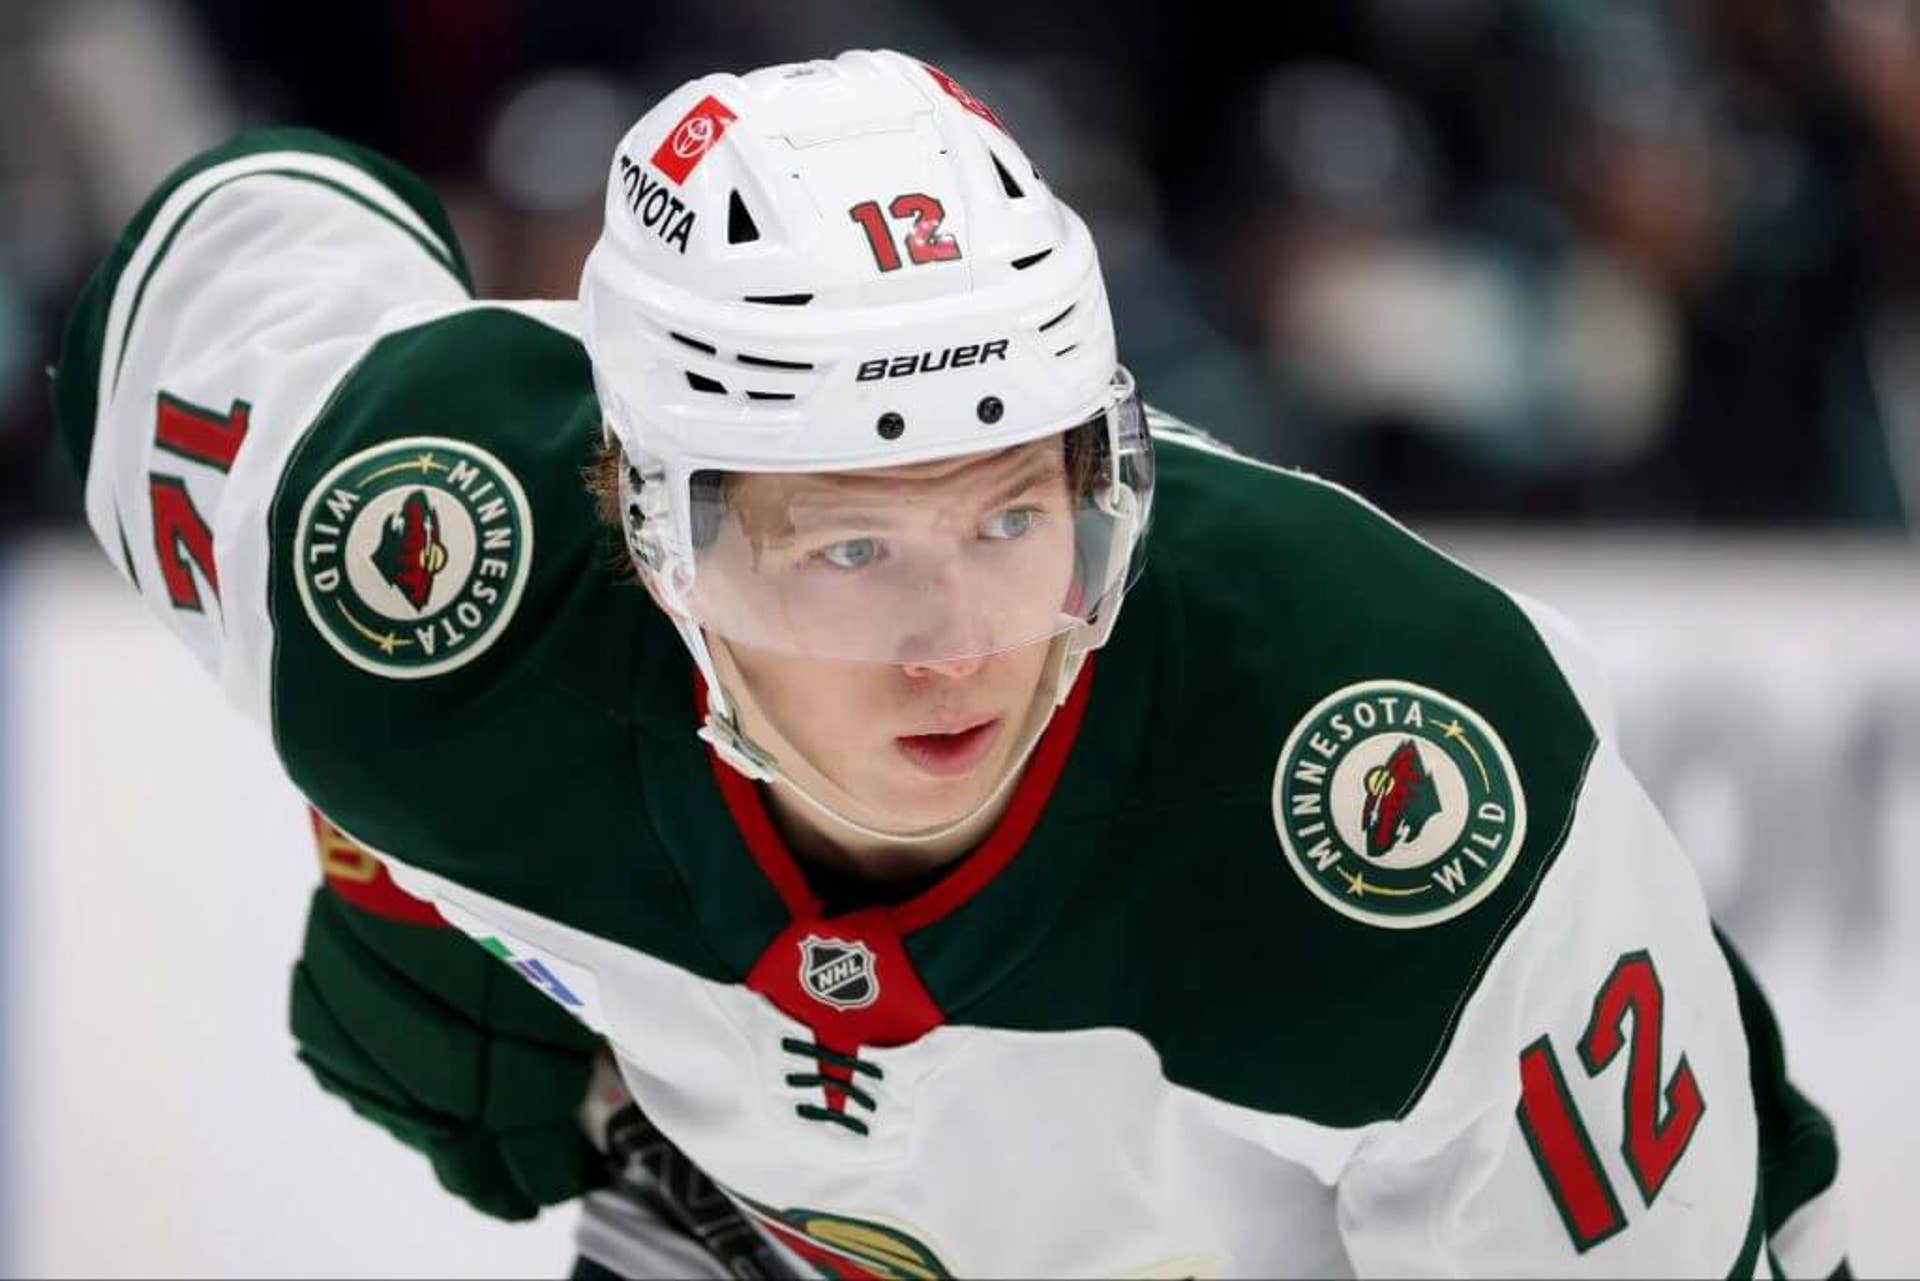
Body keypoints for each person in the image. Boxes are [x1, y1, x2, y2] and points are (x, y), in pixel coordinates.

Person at [54, 48, 1846, 1279]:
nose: (963, 640)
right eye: (849, 547)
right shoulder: (415, 556)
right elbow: (215, 246)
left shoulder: (1392, 797)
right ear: (649, 529)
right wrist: (392, 844)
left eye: (1014, 511)